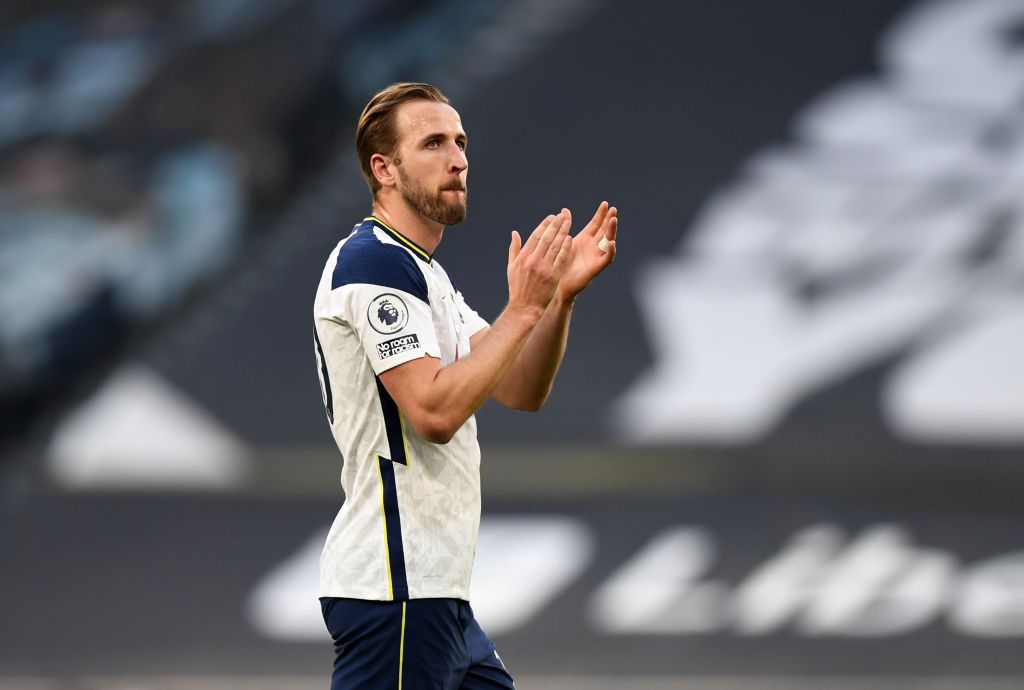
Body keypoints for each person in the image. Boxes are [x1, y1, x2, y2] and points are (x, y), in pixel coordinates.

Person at [312, 82, 618, 690]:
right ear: (384, 169)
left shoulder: (425, 273)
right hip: (393, 593)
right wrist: (523, 309)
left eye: (460, 142)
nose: (458, 158)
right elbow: (431, 411)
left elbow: (521, 388)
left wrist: (556, 299)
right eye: (433, 143)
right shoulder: (372, 263)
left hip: (438, 597)